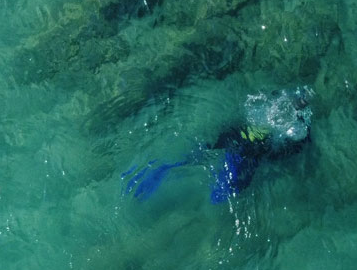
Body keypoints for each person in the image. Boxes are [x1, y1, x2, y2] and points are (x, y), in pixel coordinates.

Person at [123, 86, 314, 203]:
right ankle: (200, 203)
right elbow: (293, 145)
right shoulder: (296, 126)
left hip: (234, 135)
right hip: (248, 151)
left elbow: (249, 107)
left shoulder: (271, 102)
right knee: (225, 192)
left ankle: (162, 170)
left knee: (195, 155)